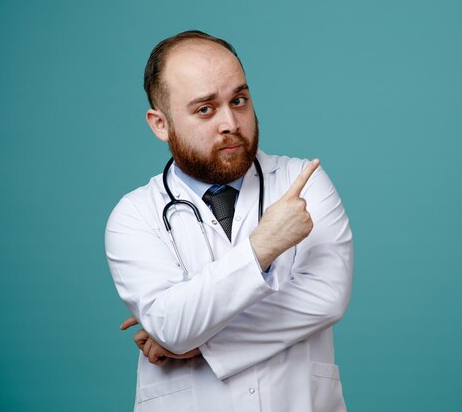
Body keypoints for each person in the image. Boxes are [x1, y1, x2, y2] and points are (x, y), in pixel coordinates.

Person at [105, 30, 353, 412]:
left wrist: (197, 341)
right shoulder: (133, 216)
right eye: (205, 109)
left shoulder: (303, 181)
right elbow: (171, 324)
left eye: (239, 100)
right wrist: (262, 247)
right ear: (160, 124)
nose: (230, 123)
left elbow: (325, 299)